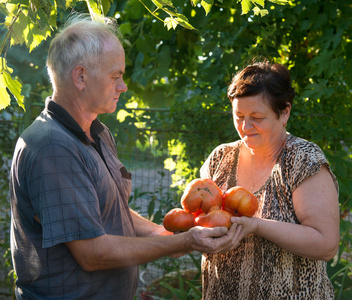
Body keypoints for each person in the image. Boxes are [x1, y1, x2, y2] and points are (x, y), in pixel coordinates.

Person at [9, 15, 242, 299]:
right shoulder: (52, 147)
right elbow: (92, 254)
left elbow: (107, 212)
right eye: (115, 76)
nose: (123, 86)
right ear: (80, 77)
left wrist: (162, 234)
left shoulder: (97, 132)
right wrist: (184, 244)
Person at [200, 61, 340, 299]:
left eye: (257, 117)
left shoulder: (303, 160)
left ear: (284, 112)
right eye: (239, 116)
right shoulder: (220, 158)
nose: (245, 127)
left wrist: (257, 226)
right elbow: (198, 217)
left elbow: (326, 244)